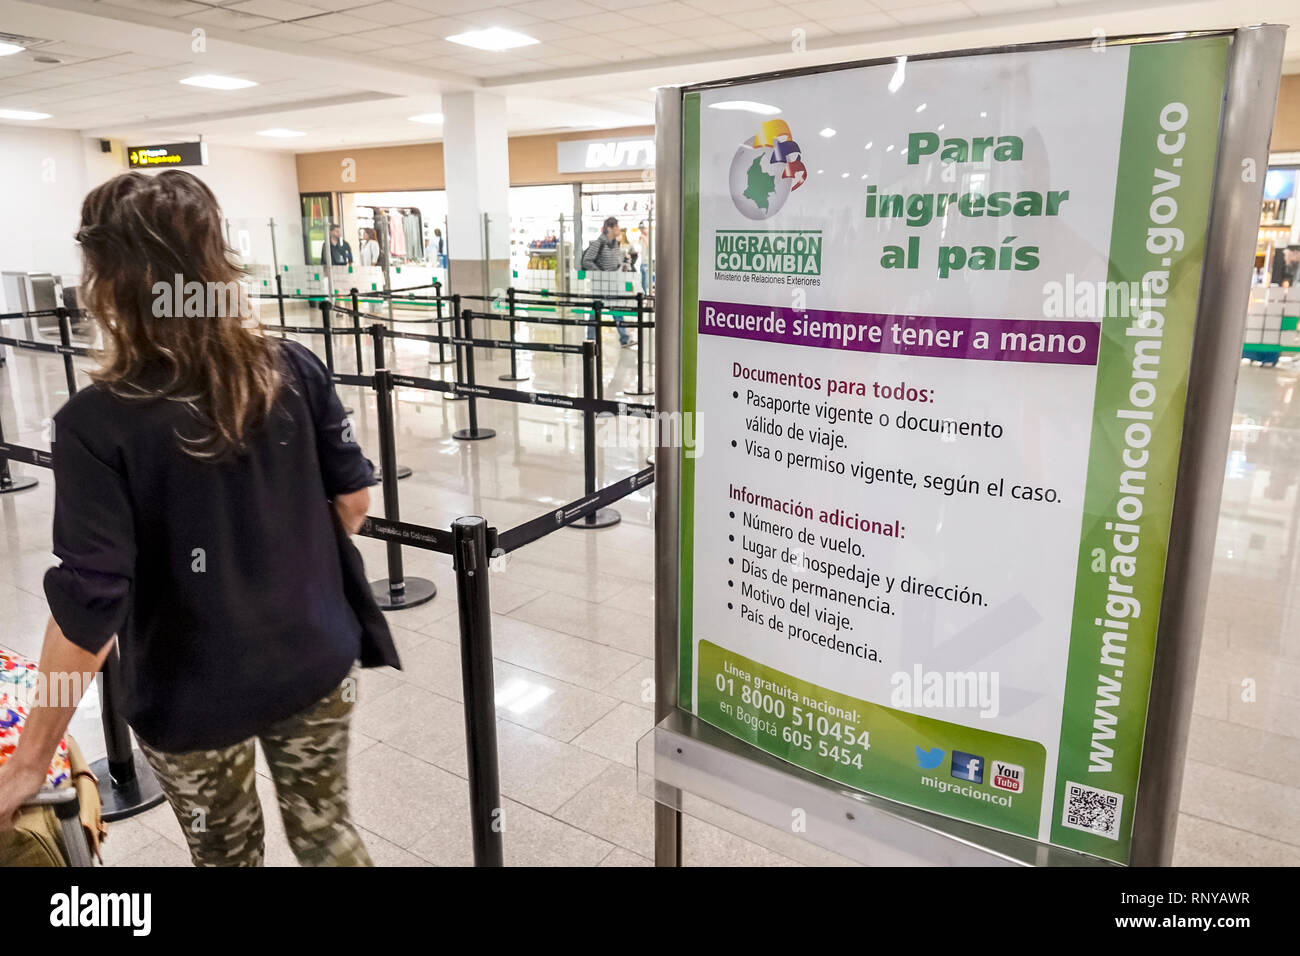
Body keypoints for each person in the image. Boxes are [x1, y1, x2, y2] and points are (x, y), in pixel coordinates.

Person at [0, 170, 377, 867]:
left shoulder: (95, 424)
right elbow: (352, 502)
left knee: (226, 857)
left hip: (191, 693)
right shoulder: (294, 367)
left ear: (105, 281)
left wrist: (31, 760)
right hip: (315, 658)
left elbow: (89, 608)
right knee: (328, 834)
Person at [580, 216, 630, 346]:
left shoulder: (615, 244)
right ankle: (591, 339)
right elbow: (586, 261)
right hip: (601, 285)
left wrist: (622, 266)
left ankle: (624, 338)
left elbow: (614, 262)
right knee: (596, 312)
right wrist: (600, 273)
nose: (619, 229)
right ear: (610, 228)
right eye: (617, 227)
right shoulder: (599, 243)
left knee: (615, 310)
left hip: (612, 284)